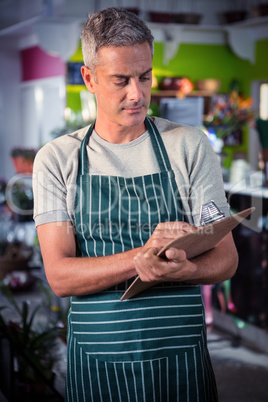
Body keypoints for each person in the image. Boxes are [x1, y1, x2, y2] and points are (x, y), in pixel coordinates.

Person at [32, 7, 238, 401]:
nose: (137, 93)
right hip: (98, 361)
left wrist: (186, 267)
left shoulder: (188, 146)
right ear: (89, 78)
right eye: (121, 80)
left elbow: (226, 260)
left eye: (145, 77)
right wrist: (143, 257)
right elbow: (59, 276)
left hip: (182, 359)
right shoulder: (57, 159)